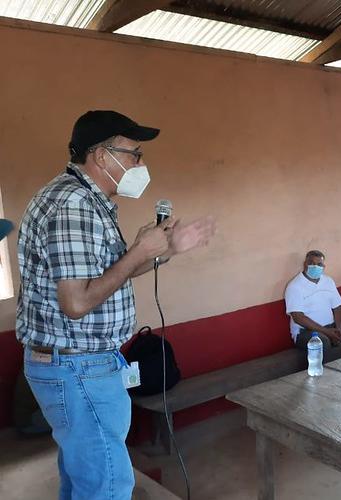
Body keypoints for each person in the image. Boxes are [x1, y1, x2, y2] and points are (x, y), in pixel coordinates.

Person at [16, 110, 217, 500]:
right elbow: (76, 303)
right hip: (77, 367)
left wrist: (165, 250)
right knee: (107, 486)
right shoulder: (72, 205)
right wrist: (140, 250)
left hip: (80, 364)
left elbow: (108, 279)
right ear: (102, 156)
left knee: (85, 479)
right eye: (134, 154)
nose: (141, 164)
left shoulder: (87, 201)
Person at [286, 250, 341, 361]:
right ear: (305, 264)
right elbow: (298, 317)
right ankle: (331, 377)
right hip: (305, 332)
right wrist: (327, 332)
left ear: (323, 266)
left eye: (319, 264)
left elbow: (337, 307)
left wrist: (339, 328)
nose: (315, 266)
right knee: (324, 342)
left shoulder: (328, 281)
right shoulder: (295, 286)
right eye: (312, 263)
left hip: (331, 327)